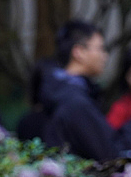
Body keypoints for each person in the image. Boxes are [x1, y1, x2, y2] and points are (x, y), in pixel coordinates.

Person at [38, 20, 119, 162]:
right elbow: (110, 154)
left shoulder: (57, 90)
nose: (104, 56)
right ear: (79, 52)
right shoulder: (75, 102)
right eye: (100, 49)